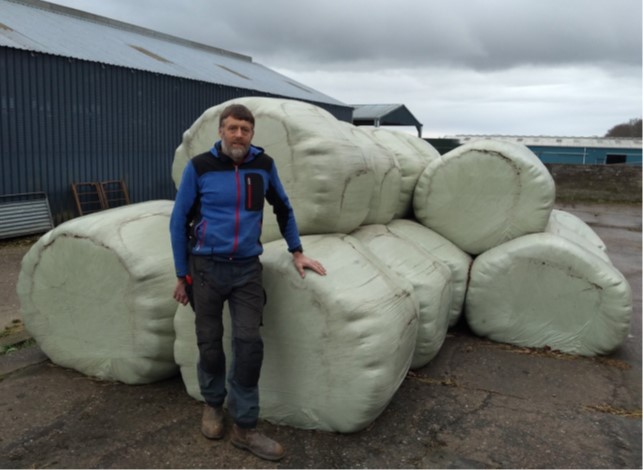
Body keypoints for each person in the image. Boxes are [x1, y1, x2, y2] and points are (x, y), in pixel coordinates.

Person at [169, 103, 326, 461]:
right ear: (221, 131)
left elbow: (283, 208)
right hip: (205, 269)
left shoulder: (263, 166)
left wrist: (297, 251)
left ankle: (245, 426)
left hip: (246, 271)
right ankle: (212, 405)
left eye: (245, 129)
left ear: (252, 134)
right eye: (232, 128)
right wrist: (182, 274)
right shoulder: (200, 168)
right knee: (209, 342)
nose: (238, 134)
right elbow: (178, 222)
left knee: (248, 343)